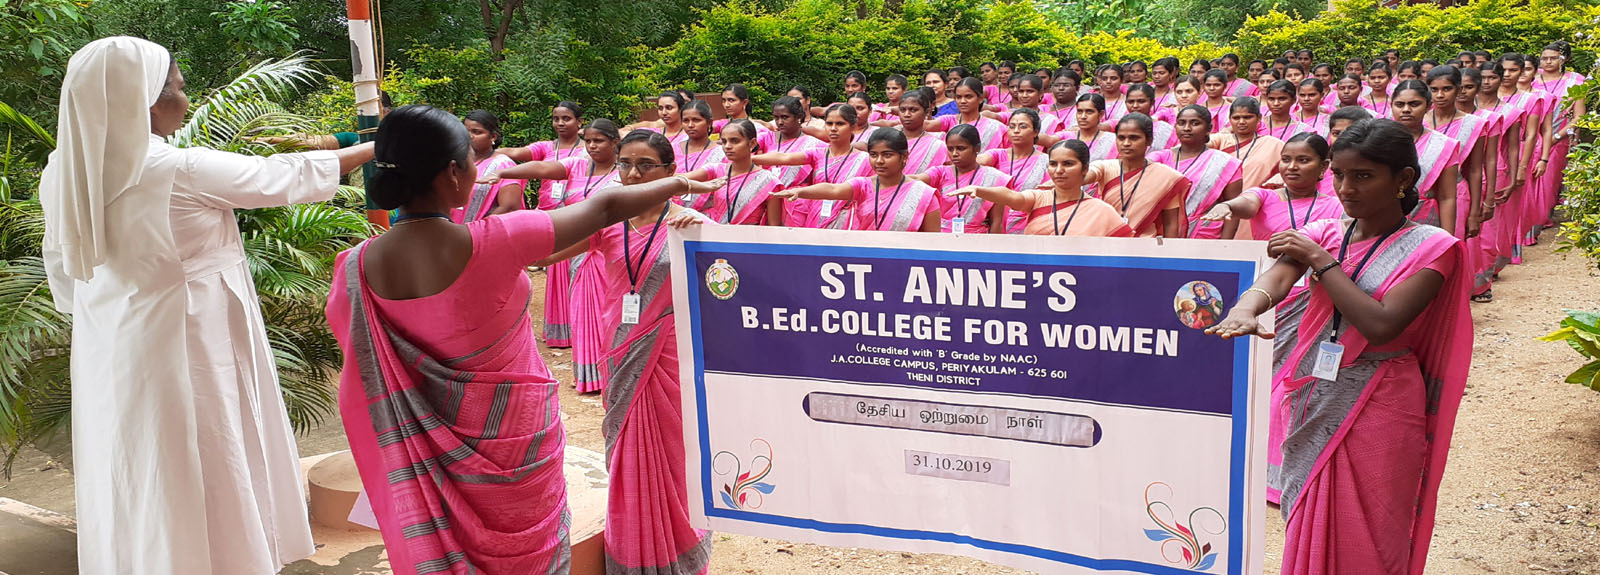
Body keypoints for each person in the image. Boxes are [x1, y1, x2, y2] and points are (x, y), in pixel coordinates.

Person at [327, 106, 720, 575]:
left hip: (420, 451)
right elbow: (605, 208)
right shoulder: (498, 239)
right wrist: (684, 183)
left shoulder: (353, 269)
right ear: (453, 173)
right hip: (513, 443)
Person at [40, 36, 374, 575]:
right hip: (191, 335)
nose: (186, 99)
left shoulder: (64, 171)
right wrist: (377, 147)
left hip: (113, 340)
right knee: (206, 449)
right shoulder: (174, 168)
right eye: (177, 88)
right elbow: (282, 177)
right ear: (145, 100)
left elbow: (63, 267)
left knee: (139, 456)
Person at [1208, 118, 1470, 575]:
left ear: (1403, 179)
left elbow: (1381, 324)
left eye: (1363, 176)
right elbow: (1276, 279)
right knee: (1308, 514)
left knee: (1371, 527)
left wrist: (1321, 261)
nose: (1347, 188)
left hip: (1382, 398)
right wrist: (1246, 307)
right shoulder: (1328, 231)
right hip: (1314, 391)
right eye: (1340, 175)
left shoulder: (1434, 248)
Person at [535, 130, 724, 575]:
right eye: (625, 164)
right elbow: (547, 252)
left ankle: (679, 546)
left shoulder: (692, 223)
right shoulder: (605, 222)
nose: (633, 174)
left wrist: (705, 235)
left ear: (670, 172)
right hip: (619, 349)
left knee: (673, 450)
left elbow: (729, 282)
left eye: (645, 165)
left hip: (671, 355)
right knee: (625, 447)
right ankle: (633, 549)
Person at [479, 120, 625, 393]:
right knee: (583, 311)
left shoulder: (625, 173)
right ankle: (593, 375)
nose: (592, 146)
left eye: (599, 141)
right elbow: (543, 168)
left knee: (609, 315)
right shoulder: (577, 165)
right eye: (588, 141)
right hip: (580, 251)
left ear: (615, 142)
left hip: (611, 252)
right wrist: (502, 172)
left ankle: (614, 371)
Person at [950, 139, 1134, 237]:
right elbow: (1011, 196)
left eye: (1068, 164)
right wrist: (980, 190)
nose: (1059, 170)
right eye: (1053, 164)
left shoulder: (1101, 211)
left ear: (1085, 168)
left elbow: (1125, 250)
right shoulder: (1038, 198)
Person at [772, 129, 941, 232]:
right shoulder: (863, 185)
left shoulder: (923, 194)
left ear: (904, 156)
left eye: (887, 155)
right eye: (873, 155)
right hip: (862, 261)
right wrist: (799, 192)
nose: (879, 161)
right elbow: (833, 190)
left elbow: (932, 242)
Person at [754, 103, 873, 228]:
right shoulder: (817, 153)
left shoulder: (865, 160)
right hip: (816, 215)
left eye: (840, 124)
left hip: (847, 222)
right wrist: (750, 159)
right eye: (829, 123)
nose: (833, 128)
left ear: (853, 126)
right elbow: (784, 157)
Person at [1082, 113, 1191, 237]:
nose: (1126, 143)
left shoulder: (1167, 177)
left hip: (1145, 245)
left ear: (1149, 140)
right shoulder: (1104, 167)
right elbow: (1084, 177)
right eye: (1121, 138)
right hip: (1108, 242)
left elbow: (1170, 223)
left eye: (1134, 138)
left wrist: (1169, 249)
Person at [1150, 105, 1244, 239]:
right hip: (1162, 232)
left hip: (1205, 236)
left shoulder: (1225, 163)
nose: (1187, 128)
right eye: (1181, 123)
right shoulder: (1158, 158)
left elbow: (1232, 210)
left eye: (1195, 123)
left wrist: (1225, 245)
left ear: (1208, 129)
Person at [1422, 66, 1491, 241]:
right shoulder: (1418, 120)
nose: (1440, 95)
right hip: (1421, 196)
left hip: (1456, 195)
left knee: (1451, 244)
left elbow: (1474, 170)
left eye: (1447, 89)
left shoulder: (1474, 124)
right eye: (1434, 90)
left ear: (1458, 89)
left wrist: (1474, 213)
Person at [1529, 40, 1587, 237]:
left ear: (1564, 59)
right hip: (1530, 137)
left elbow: (1579, 117)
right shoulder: (1532, 78)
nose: (1548, 62)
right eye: (1544, 58)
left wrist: (1556, 136)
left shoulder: (1575, 81)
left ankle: (1540, 218)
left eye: (1553, 58)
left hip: (1558, 137)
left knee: (1548, 180)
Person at [1391, 79, 1463, 234]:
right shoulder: (1377, 139)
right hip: (1382, 217)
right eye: (1400, 104)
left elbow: (1447, 197)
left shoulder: (1443, 145)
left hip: (1425, 220)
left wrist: (1447, 239)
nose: (1406, 110)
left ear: (1429, 106)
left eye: (1414, 104)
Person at [681, 119, 785, 225]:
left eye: (735, 141)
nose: (727, 146)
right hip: (713, 232)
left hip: (748, 235)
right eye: (724, 141)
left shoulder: (768, 181)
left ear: (752, 143)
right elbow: (679, 180)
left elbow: (774, 227)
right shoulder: (715, 170)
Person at [914, 125, 1010, 233]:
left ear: (977, 148)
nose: (954, 154)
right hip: (942, 237)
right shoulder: (940, 173)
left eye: (961, 148)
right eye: (950, 149)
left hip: (977, 239)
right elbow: (915, 180)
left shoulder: (994, 178)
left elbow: (996, 222)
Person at [978, 108, 1050, 233]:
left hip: (1030, 226)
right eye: (1012, 126)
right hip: (997, 223)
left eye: (1023, 127)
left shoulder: (1046, 161)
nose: (1016, 131)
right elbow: (975, 163)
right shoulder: (996, 155)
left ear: (1035, 132)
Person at [453, 110, 524, 224]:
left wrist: (476, 228)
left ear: (493, 136)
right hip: (446, 229)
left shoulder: (504, 165)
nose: (469, 136)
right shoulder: (454, 161)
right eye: (465, 131)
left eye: (477, 132)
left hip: (479, 231)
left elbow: (509, 208)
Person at [1211, 97, 1285, 191]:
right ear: (1230, 119)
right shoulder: (1221, 139)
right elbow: (1200, 144)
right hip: (1222, 198)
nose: (1241, 122)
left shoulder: (1274, 145)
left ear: (1259, 118)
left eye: (1247, 117)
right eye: (1236, 118)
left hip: (1257, 198)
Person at [933, 77, 1009, 150]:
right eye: (959, 97)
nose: (962, 101)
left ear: (980, 99)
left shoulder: (996, 128)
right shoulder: (949, 121)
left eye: (968, 97)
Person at [893, 89, 950, 174]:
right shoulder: (888, 139)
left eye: (913, 110)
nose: (906, 115)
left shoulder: (937, 146)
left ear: (926, 112)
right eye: (903, 110)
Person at [1059, 93, 1118, 161]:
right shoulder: (1066, 137)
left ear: (1101, 114)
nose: (1083, 116)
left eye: (1089, 112)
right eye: (1080, 112)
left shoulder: (1112, 140)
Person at [676, 99, 726, 174]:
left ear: (709, 123)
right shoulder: (673, 149)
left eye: (696, 120)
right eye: (685, 121)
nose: (690, 125)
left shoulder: (720, 153)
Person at [1125, 83, 1177, 147]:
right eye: (1131, 102)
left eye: (1141, 101)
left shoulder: (1165, 130)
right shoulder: (1121, 128)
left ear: (1152, 103)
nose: (1135, 106)